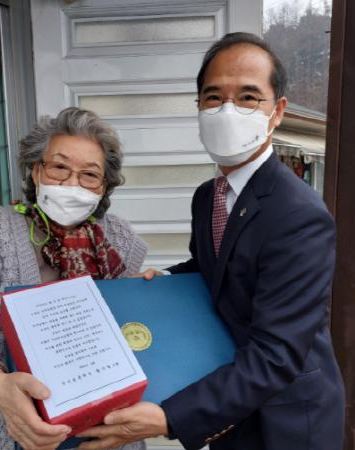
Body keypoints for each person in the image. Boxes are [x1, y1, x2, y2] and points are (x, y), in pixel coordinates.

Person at [74, 33, 345, 450]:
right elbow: (212, 268)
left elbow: (277, 353)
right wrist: (165, 281)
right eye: (214, 97)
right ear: (199, 106)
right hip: (227, 397)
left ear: (277, 112)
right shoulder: (209, 196)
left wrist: (170, 417)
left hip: (286, 420)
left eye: (248, 97)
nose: (227, 111)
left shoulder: (299, 215)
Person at [0, 107, 147, 450]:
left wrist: (146, 297)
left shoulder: (119, 239)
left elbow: (128, 329)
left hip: (106, 431)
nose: (72, 183)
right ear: (36, 171)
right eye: (59, 167)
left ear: (104, 186)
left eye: (89, 174)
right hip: (8, 430)